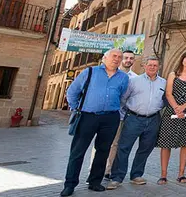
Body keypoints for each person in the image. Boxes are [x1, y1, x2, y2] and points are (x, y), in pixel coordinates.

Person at [61, 49, 130, 196]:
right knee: (78, 151)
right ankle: (70, 184)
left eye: (119, 57)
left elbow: (121, 96)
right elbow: (72, 92)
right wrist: (76, 108)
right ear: (105, 58)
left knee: (103, 151)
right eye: (114, 56)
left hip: (110, 118)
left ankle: (95, 182)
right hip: (88, 116)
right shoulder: (90, 72)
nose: (117, 59)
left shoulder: (123, 77)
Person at [106, 56, 166, 190]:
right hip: (134, 118)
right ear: (144, 66)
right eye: (150, 65)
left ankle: (136, 175)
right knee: (124, 147)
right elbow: (123, 99)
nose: (152, 67)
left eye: (155, 65)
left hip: (153, 119)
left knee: (145, 148)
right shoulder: (134, 81)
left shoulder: (163, 83)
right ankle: (117, 177)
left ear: (159, 67)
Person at [156, 51, 186, 185]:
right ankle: (163, 175)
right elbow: (168, 93)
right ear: (182, 59)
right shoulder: (173, 74)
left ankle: (181, 173)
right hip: (172, 110)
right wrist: (177, 107)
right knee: (166, 143)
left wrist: (183, 107)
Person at [103, 50, 138, 179]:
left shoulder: (135, 78)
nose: (128, 60)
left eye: (131, 58)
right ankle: (94, 170)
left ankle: (108, 170)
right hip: (107, 114)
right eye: (126, 57)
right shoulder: (111, 73)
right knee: (103, 143)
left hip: (124, 116)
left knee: (116, 144)